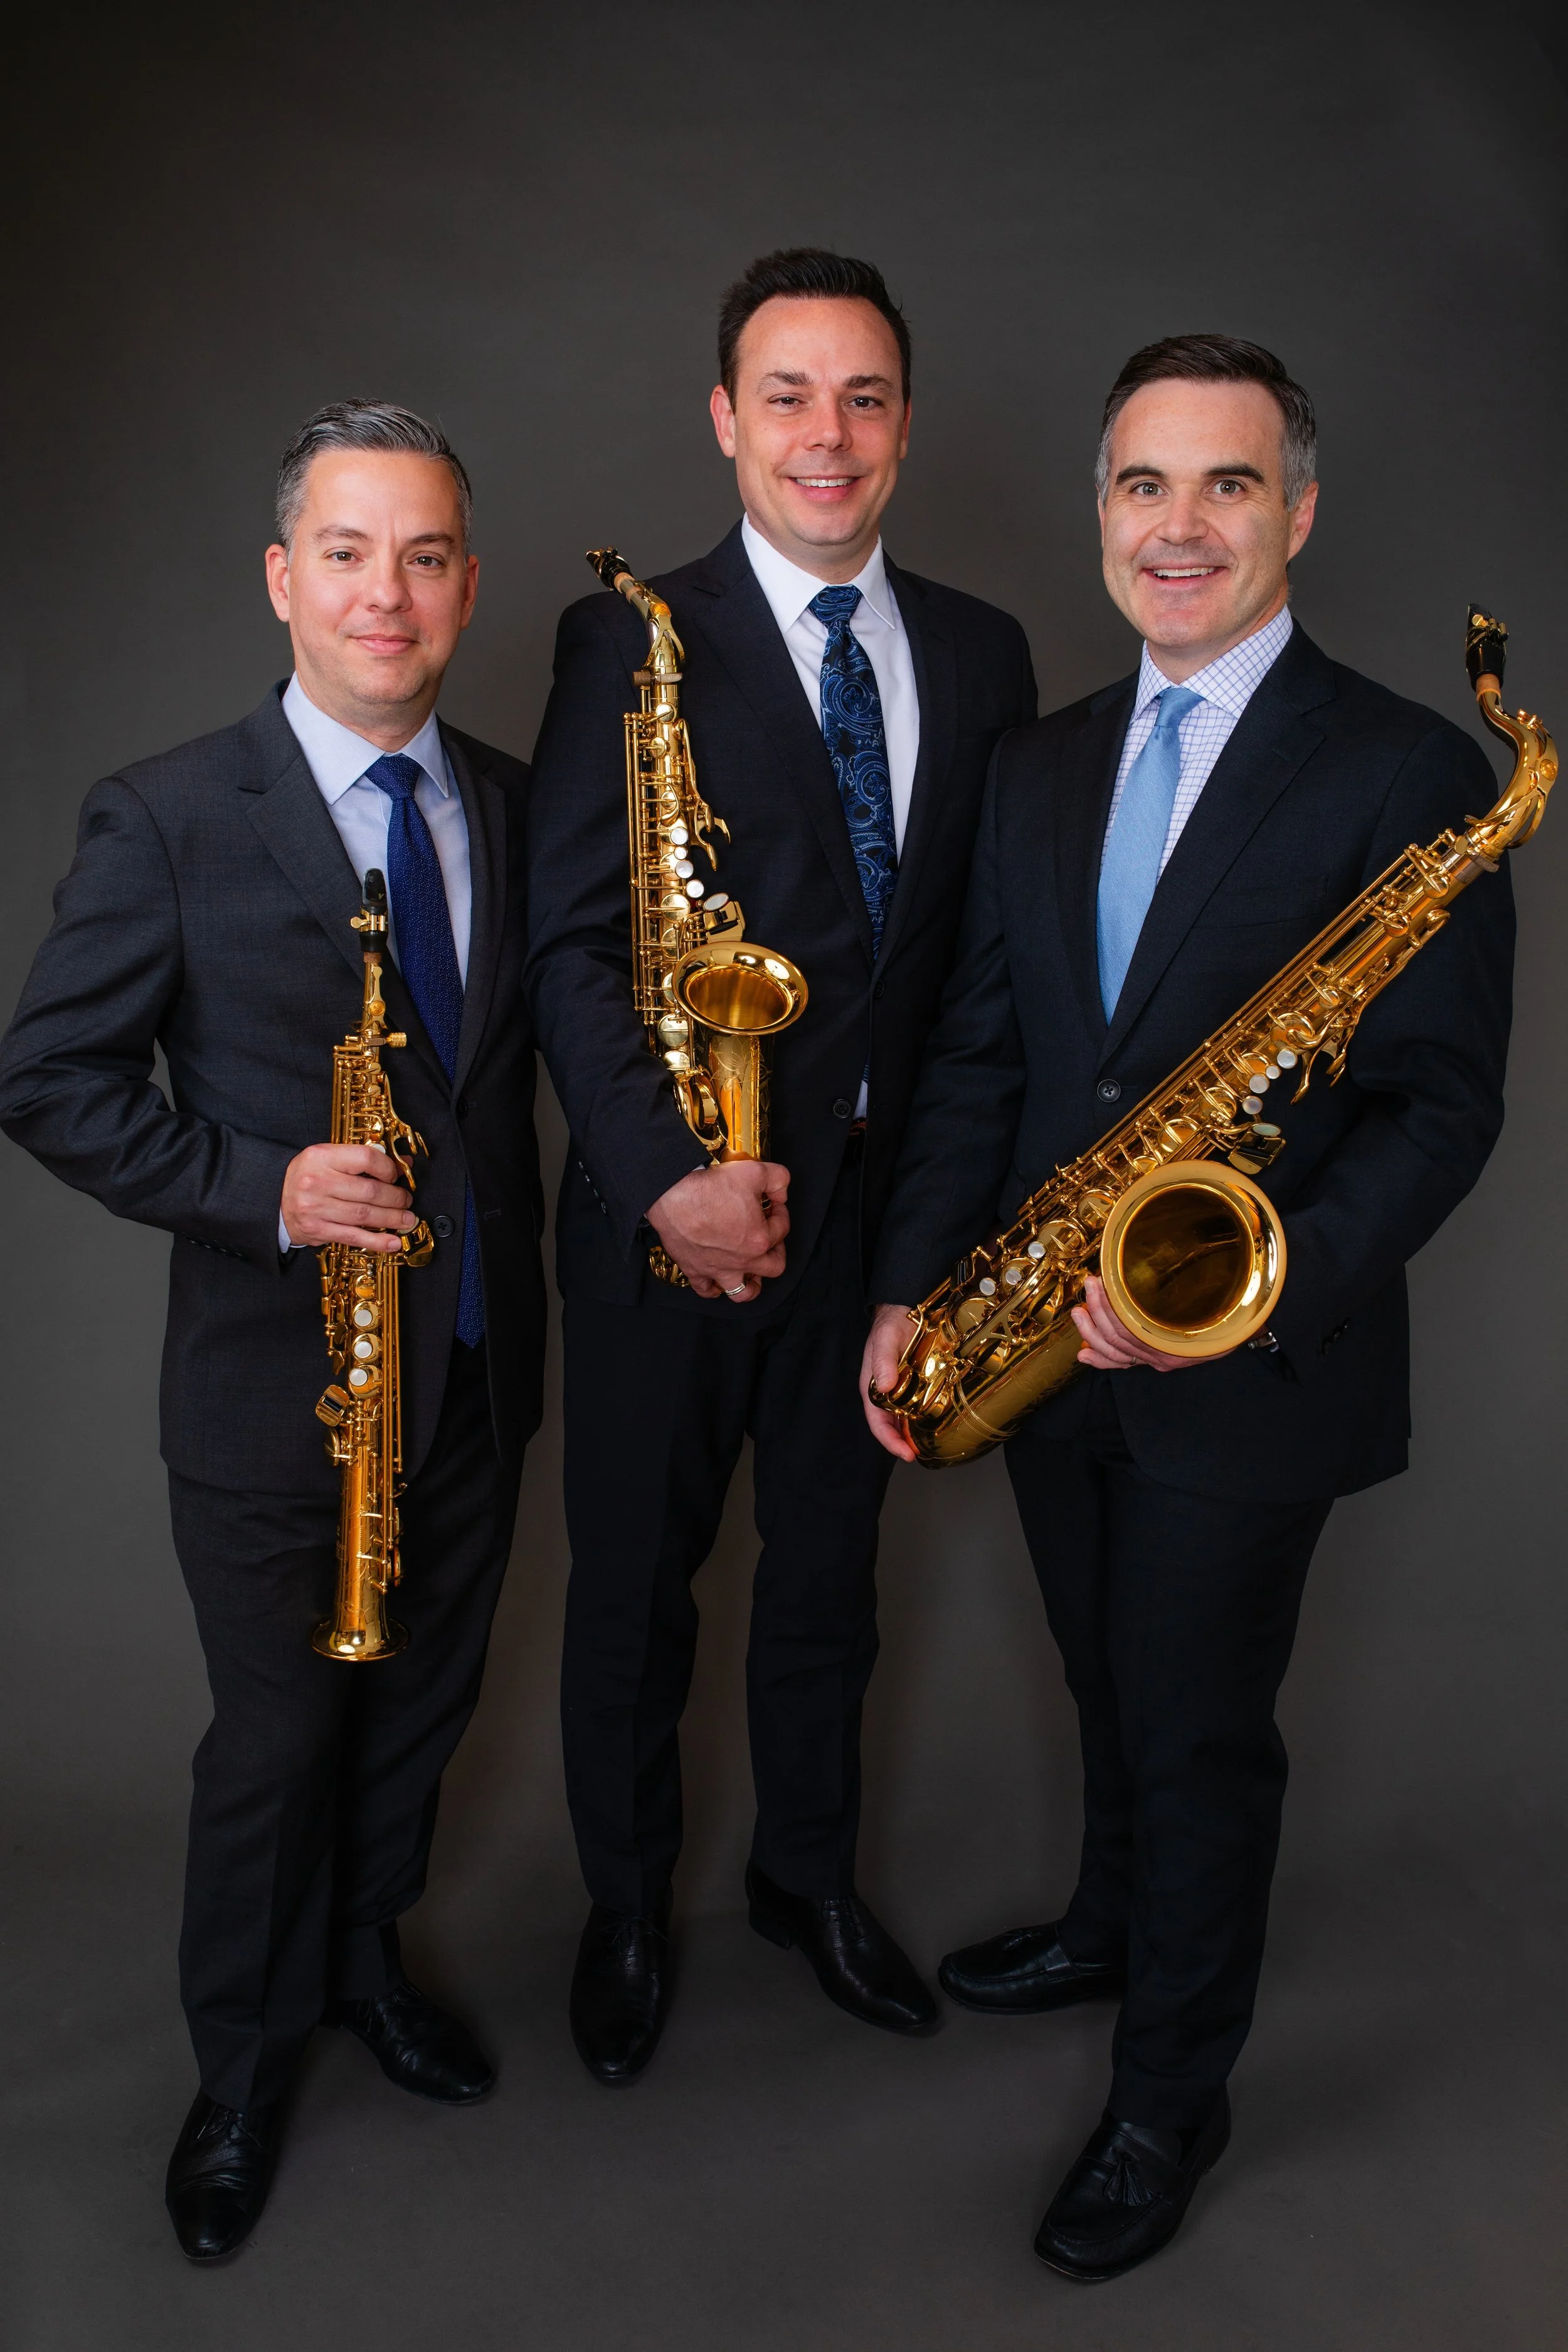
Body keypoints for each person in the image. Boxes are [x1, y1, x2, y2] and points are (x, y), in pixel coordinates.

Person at [862, 336, 1515, 2280]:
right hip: (1048, 1332)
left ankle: (1170, 2093)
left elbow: (1438, 1106)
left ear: (1296, 513)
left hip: (1246, 1359)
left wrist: (1251, 1287)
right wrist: (915, 1281)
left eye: (1225, 486)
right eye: (1142, 487)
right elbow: (985, 1051)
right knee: (1104, 1675)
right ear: (1098, 518)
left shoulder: (1407, 768)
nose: (1178, 528)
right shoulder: (1042, 759)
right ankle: (1111, 1918)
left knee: (1198, 1720)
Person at [0, 401, 546, 2262]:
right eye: (344, 550)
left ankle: (360, 1963)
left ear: (465, 585)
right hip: (271, 1393)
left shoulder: (512, 795)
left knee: (419, 1714)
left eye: (420, 555)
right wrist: (266, 1183)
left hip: (472, 1365)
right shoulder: (165, 813)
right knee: (274, 1742)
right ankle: (237, 2075)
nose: (381, 592)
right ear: (278, 578)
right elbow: (48, 1075)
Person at [526, 248, 1036, 2085]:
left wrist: (919, 1258)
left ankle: (801, 1884)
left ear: (904, 423)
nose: (829, 436)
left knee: (830, 1579)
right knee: (631, 1589)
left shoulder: (983, 653)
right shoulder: (626, 638)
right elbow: (575, 942)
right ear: (725, 420)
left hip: (872, 1235)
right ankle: (629, 1903)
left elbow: (971, 981)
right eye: (790, 396)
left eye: (866, 396)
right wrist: (666, 1172)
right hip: (668, 1222)